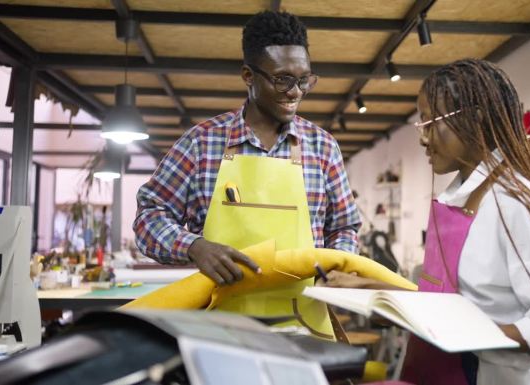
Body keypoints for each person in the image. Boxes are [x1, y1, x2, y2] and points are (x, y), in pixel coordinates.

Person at [320, 59, 530, 385]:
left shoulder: (516, 205)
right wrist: (369, 286)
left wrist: (464, 332)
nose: (423, 139)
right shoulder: (453, 201)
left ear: (477, 119)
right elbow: (447, 303)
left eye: (431, 122)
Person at [134, 11, 361, 339]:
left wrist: (337, 263)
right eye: (282, 79)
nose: (295, 92)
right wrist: (194, 246)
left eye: (304, 80)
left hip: (303, 326)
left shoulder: (323, 148)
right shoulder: (202, 143)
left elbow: (344, 227)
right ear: (248, 76)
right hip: (217, 326)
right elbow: (148, 218)